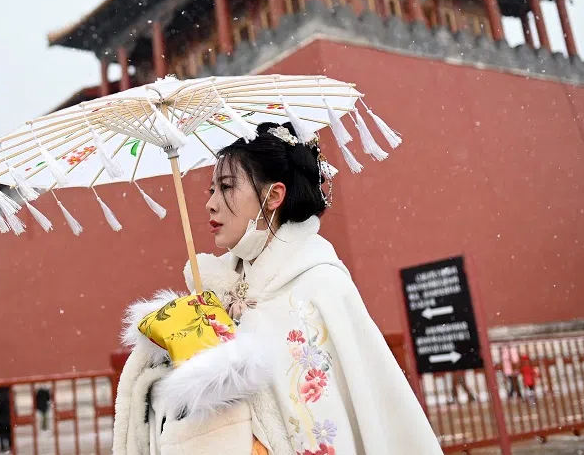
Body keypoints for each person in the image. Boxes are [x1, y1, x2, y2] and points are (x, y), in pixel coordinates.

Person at [113, 123, 443, 454]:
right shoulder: (212, 296)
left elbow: (343, 415)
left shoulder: (320, 284)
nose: (211, 204)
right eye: (211, 190)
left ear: (273, 196)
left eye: (226, 187)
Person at [0, 387, 12, 453]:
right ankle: (9, 446)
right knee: (8, 433)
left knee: (3, 434)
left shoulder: (2, 396)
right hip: (7, 419)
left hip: (3, 420)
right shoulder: (9, 395)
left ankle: (3, 447)